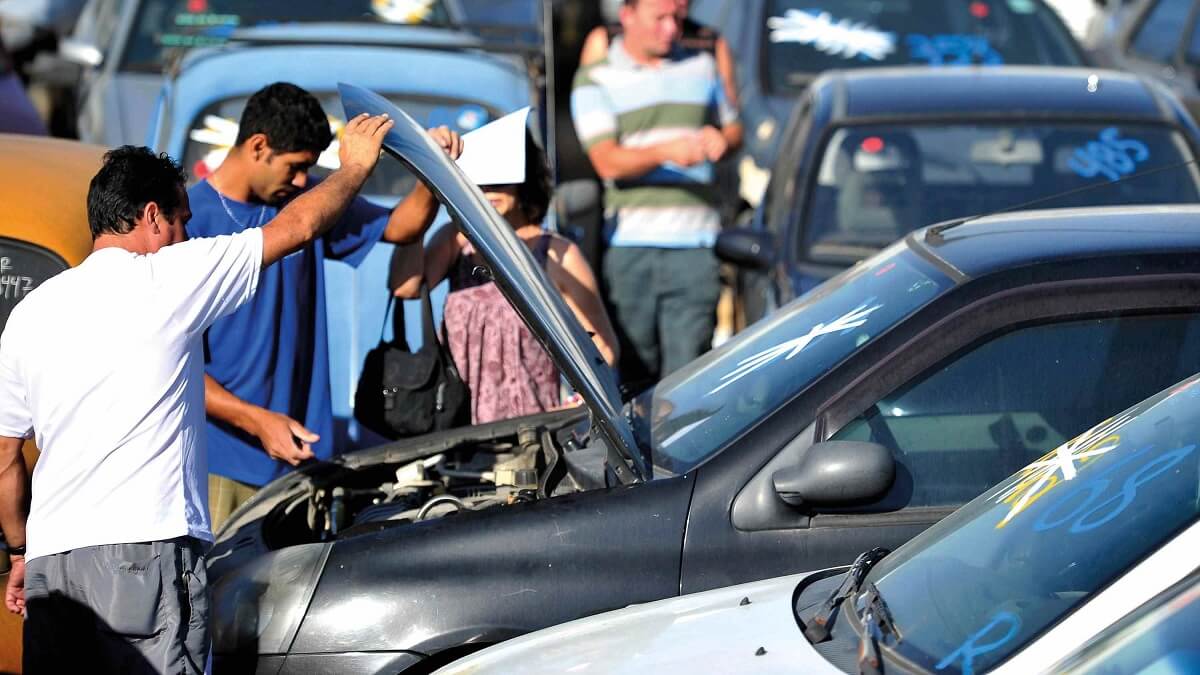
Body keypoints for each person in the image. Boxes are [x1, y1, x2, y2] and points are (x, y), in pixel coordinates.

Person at [0, 112, 394, 673]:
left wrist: (20, 551)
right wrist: (354, 167)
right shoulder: (167, 276)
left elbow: (6, 459)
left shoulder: (30, 313)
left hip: (50, 566)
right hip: (143, 555)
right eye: (182, 221)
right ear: (152, 216)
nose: (188, 235)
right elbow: (298, 227)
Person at [188, 83, 463, 532]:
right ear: (258, 146)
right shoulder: (192, 222)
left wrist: (431, 170)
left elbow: (402, 225)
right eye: (296, 167)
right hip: (221, 466)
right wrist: (257, 421)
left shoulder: (309, 203)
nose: (301, 182)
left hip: (301, 466)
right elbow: (170, 363)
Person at [397, 119, 618, 424]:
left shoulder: (554, 251)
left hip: (531, 437)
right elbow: (404, 287)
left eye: (500, 178)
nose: (489, 189)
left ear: (522, 177)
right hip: (456, 430)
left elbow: (603, 348)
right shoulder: (455, 241)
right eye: (478, 179)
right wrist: (424, 190)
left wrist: (571, 407)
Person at [571, 0, 742, 388]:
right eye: (659, 18)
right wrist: (667, 151)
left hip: (696, 245)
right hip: (632, 247)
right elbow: (606, 161)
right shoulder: (596, 78)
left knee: (692, 378)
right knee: (634, 376)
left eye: (678, 18)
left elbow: (735, 128)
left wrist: (723, 139)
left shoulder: (703, 63)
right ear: (627, 15)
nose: (671, 29)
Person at [578, 0, 742, 122]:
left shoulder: (710, 42)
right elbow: (588, 112)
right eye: (659, 18)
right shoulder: (605, 40)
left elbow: (729, 116)